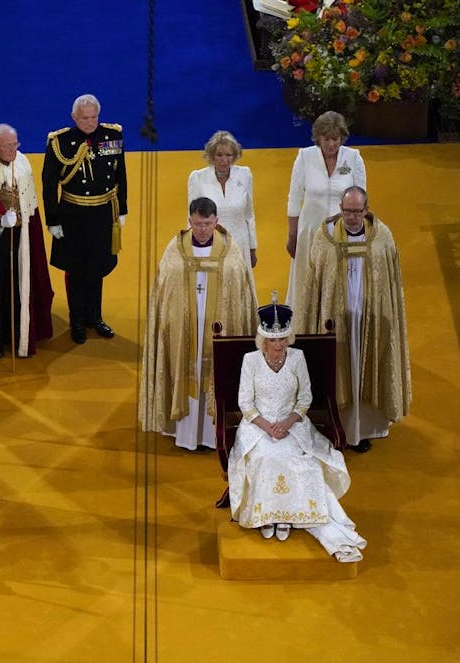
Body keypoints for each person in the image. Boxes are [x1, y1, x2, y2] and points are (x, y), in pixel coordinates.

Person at [228, 299, 367, 563]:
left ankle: (288, 516)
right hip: (257, 426)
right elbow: (245, 403)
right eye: (273, 340)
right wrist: (268, 426)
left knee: (302, 459)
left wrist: (288, 423)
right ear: (263, 340)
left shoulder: (298, 358)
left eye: (282, 339)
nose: (279, 345)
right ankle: (267, 515)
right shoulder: (251, 361)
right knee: (266, 457)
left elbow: (305, 398)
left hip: (293, 425)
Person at [297, 186, 411, 452]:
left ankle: (363, 430)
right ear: (340, 208)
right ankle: (335, 427)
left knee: (366, 367)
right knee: (337, 368)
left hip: (371, 320)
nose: (350, 217)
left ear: (366, 210)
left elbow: (391, 283)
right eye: (346, 211)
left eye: (356, 211)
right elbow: (314, 284)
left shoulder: (381, 237)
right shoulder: (324, 237)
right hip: (335, 321)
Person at [138, 197, 257, 451]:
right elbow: (164, 291)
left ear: (216, 221)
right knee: (187, 369)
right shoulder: (176, 250)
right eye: (198, 223)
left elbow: (240, 294)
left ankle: (214, 434)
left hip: (219, 329)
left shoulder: (230, 252)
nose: (203, 229)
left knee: (216, 371)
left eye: (208, 224)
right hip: (184, 332)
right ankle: (187, 435)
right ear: (190, 221)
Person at [42, 93, 127, 344]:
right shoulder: (60, 142)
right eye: (84, 118)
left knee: (98, 266)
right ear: (73, 117)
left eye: (94, 117)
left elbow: (120, 173)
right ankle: (77, 320)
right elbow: (49, 185)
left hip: (102, 213)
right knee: (76, 269)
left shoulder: (112, 136)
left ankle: (95, 317)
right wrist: (53, 220)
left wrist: (122, 209)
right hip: (73, 215)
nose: (90, 122)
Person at [0, 124, 54, 358]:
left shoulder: (23, 163)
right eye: (7, 145)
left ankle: (21, 332)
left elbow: (30, 202)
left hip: (22, 238)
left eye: (15, 144)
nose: (13, 149)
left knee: (21, 284)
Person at [285, 110, 366, 306]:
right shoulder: (304, 157)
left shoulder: (354, 158)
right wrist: (292, 235)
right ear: (318, 138)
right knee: (307, 281)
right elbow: (294, 199)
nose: (332, 144)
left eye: (336, 139)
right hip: (310, 231)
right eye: (327, 138)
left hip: (343, 233)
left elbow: (361, 197)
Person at [187, 130, 258, 269]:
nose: (224, 160)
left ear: (235, 156)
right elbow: (191, 217)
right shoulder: (197, 178)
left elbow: (249, 215)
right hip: (210, 245)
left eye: (228, 155)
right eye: (219, 155)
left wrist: (252, 248)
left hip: (240, 244)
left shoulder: (245, 175)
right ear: (212, 156)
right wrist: (192, 249)